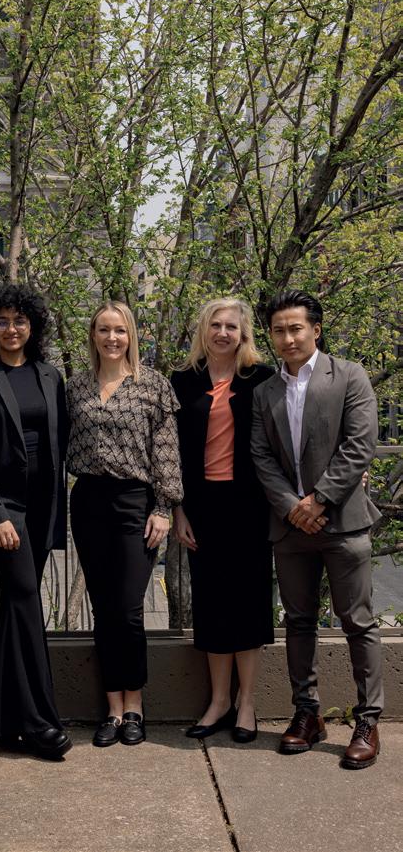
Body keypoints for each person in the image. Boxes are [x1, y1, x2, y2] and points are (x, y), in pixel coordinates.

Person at [251, 289, 383, 769]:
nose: (288, 338)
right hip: (291, 529)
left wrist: (320, 499)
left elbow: (360, 444)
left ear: (315, 330)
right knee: (298, 621)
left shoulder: (348, 375)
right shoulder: (265, 391)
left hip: (343, 522)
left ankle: (367, 721)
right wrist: (293, 507)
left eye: (296, 328)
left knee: (358, 623)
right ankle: (307, 714)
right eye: (279, 330)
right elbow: (261, 456)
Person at [0, 283, 71, 760]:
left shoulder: (50, 376)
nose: (11, 329)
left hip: (42, 506)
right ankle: (39, 723)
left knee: (15, 609)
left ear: (33, 326)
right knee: (25, 598)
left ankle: (1, 722)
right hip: (2, 509)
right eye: (2, 321)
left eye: (19, 320)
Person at [67, 300, 182, 747]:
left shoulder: (153, 385)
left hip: (136, 501)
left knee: (130, 609)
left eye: (119, 330)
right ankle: (113, 708)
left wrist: (163, 508)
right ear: (93, 335)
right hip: (89, 500)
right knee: (103, 608)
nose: (112, 338)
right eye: (104, 330)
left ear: (131, 335)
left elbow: (166, 451)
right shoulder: (76, 387)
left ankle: (135, 705)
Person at [170, 298, 274, 743]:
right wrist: (178, 509)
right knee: (211, 603)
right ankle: (218, 702)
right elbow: (170, 451)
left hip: (250, 505)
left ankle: (246, 702)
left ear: (243, 333)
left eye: (231, 326)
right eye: (216, 324)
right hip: (202, 506)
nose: (223, 333)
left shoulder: (262, 379)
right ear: (204, 330)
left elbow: (287, 437)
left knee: (248, 601)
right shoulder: (182, 381)